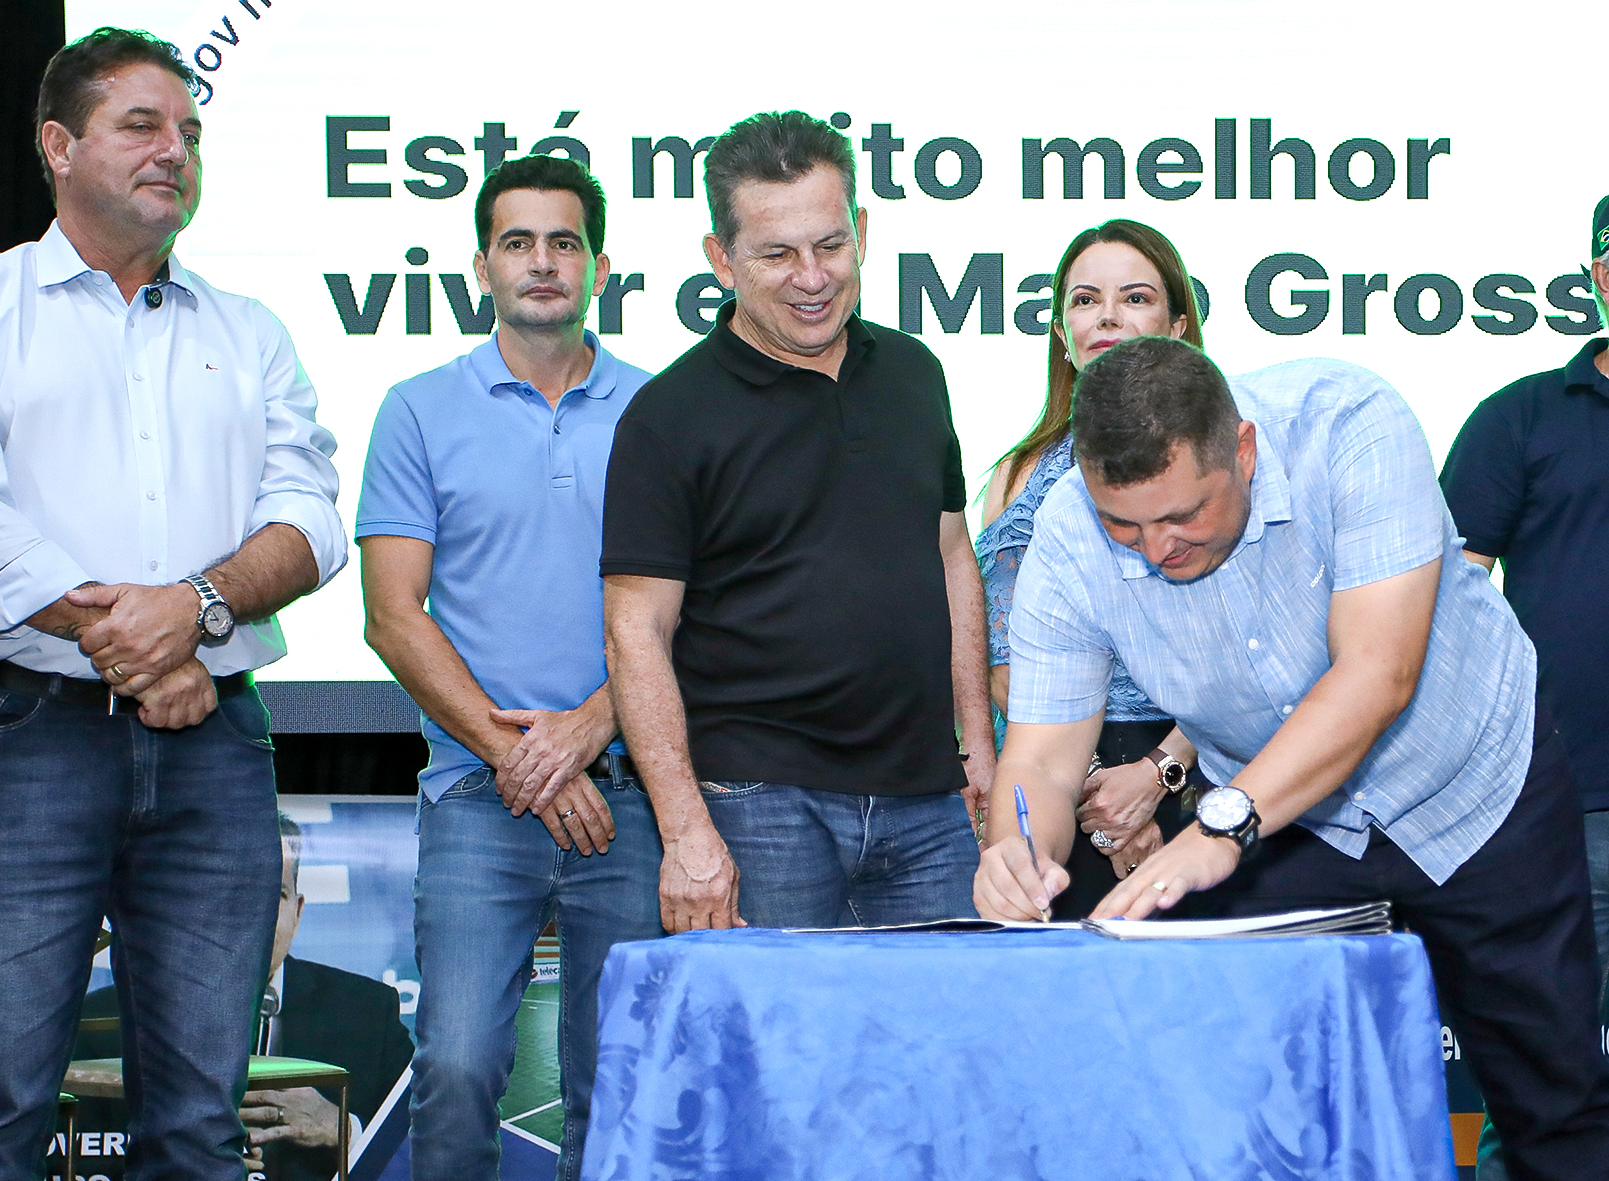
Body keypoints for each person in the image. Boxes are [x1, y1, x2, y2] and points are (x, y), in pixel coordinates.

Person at [975, 335, 1609, 1180]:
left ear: (1243, 450)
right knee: (1241, 1101)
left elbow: (1376, 675)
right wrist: (1016, 851)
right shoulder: (1066, 537)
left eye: (1183, 514)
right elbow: (1046, 760)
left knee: (1552, 1102)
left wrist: (1220, 827)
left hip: (1474, 791)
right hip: (1291, 825)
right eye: (1123, 523)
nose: (1156, 547)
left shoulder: (1350, 423)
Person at [0, 28, 344, 1180]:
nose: (174, 150)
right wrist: (141, 647)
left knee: (198, 1125)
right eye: (141, 125)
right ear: (58, 145)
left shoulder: (251, 330)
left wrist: (194, 608)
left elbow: (310, 517)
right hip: (29, 738)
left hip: (216, 746)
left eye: (189, 131)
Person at [602, 110, 994, 933]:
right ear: (721, 258)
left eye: (830, 245)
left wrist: (978, 747)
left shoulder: (916, 372)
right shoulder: (667, 416)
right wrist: (685, 831)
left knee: (944, 1019)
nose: (812, 277)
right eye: (777, 254)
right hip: (757, 807)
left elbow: (953, 557)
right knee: (772, 1024)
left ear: (862, 231)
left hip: (930, 803)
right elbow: (636, 632)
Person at [358, 155, 663, 1181]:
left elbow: (694, 611)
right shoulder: (416, 408)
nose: (542, 261)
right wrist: (519, 755)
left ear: (600, 267)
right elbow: (392, 615)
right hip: (477, 793)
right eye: (518, 242)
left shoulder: (662, 410)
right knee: (455, 1066)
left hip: (631, 794)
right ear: (480, 266)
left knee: (616, 1080)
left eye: (564, 241)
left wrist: (586, 730)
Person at [1438, 193, 1609, 1180]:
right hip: (1563, 800)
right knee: (1545, 1081)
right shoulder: (1520, 415)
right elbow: (1445, 598)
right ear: (1595, 276)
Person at [977, 220, 1208, 916]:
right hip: (1053, 776)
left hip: (1198, 768)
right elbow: (998, 655)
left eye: (1134, 297)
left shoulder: (1221, 461)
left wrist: (1156, 776)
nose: (1107, 316)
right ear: (1060, 332)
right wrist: (1095, 794)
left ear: (1177, 326)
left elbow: (1260, 654)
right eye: (1085, 300)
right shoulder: (1016, 472)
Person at [73, 816, 415, 1181]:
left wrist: (342, 1129)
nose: (253, 918)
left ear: (297, 912)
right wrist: (177, 1153)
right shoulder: (102, 1021)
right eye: (232, 895)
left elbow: (424, 1150)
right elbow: (74, 1159)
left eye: (274, 897)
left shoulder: (369, 1013)